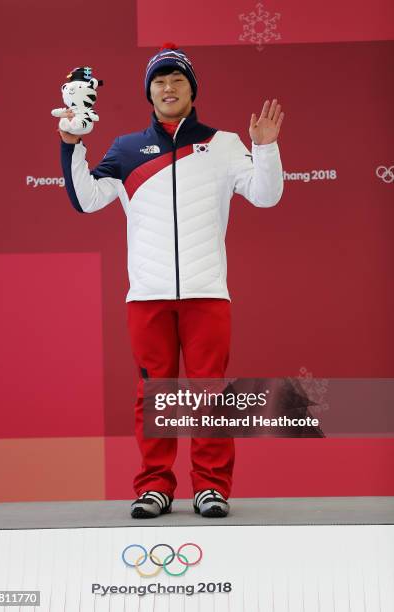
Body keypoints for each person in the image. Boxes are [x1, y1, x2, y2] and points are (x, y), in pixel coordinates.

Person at [59, 44, 284, 519]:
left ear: (191, 88)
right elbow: (86, 200)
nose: (168, 88)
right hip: (147, 296)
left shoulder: (223, 144)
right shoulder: (124, 149)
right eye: (159, 81)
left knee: (209, 395)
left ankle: (211, 488)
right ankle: (155, 487)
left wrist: (265, 148)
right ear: (149, 92)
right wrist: (70, 144)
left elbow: (266, 197)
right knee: (155, 396)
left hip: (207, 294)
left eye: (177, 80)